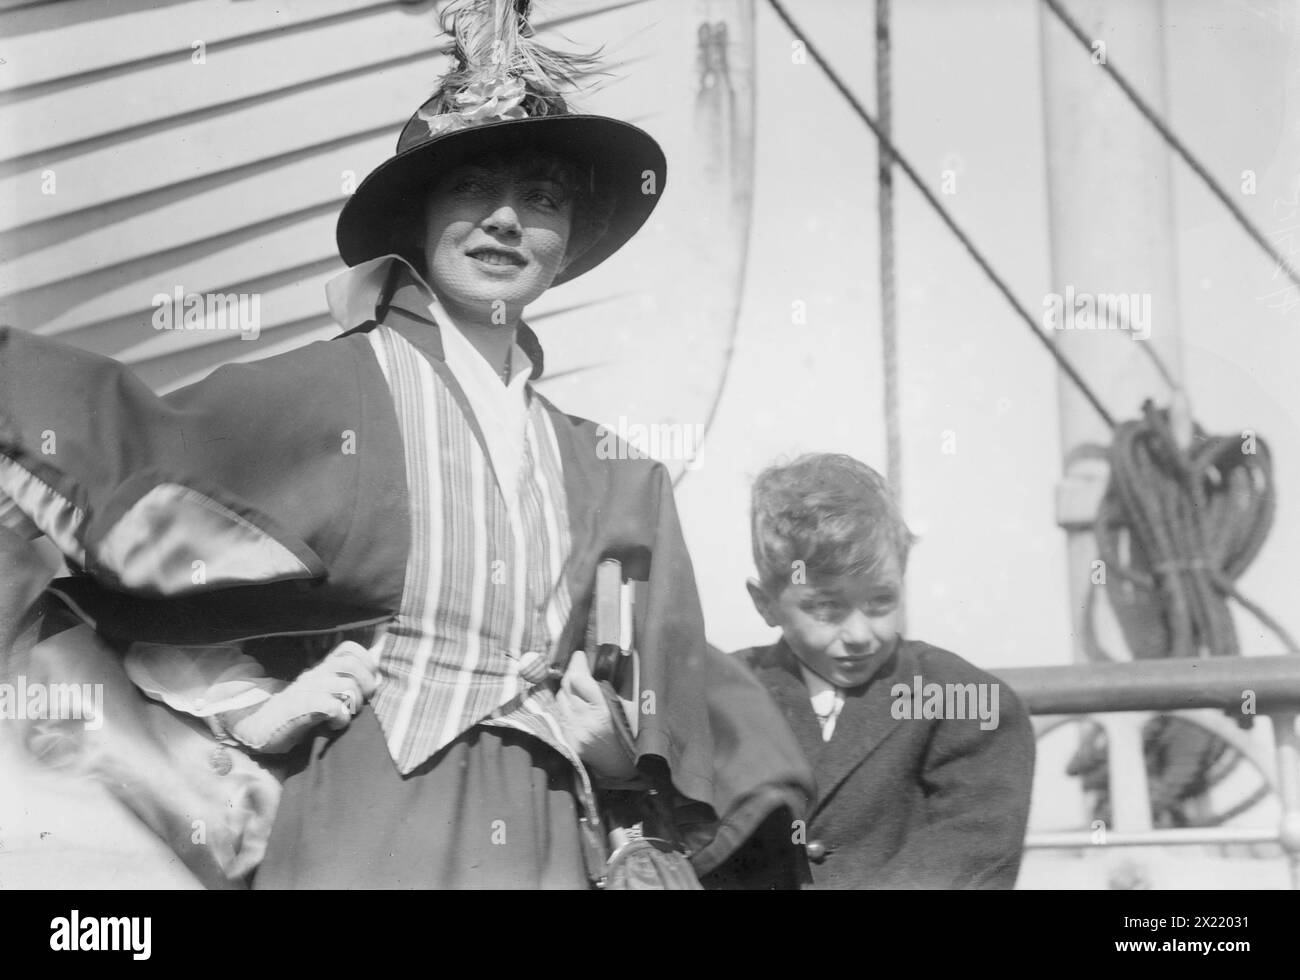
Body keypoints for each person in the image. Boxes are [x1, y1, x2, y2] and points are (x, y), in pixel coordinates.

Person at [0, 0, 812, 888]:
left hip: (549, 837)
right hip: (370, 826)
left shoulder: (618, 477)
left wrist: (618, 755)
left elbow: (671, 714)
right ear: (420, 222)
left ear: (568, 238)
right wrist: (249, 713)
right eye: (473, 189)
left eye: (540, 198)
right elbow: (127, 495)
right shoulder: (334, 394)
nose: (506, 220)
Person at [732, 453, 1036, 888]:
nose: (859, 633)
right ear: (765, 604)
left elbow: (969, 852)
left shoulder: (964, 701)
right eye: (825, 607)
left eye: (880, 602)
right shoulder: (724, 696)